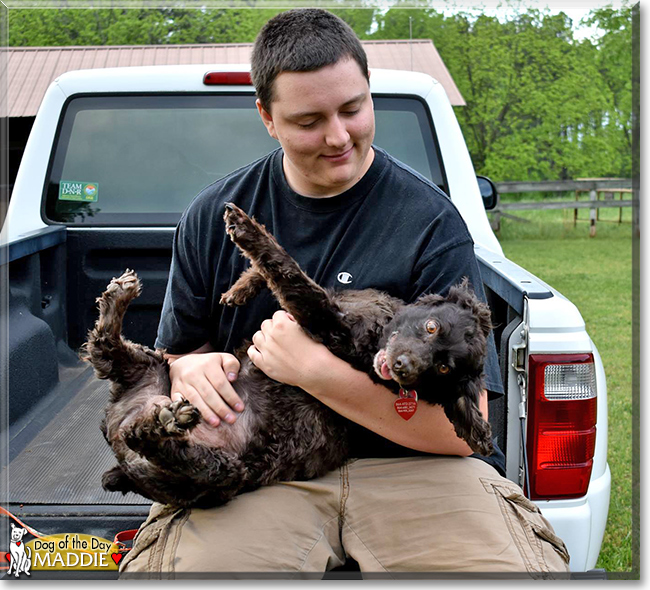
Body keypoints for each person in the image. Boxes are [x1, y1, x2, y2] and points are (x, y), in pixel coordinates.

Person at [120, 8, 570, 578]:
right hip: (267, 475)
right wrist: (188, 371)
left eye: (353, 109)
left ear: (368, 94)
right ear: (267, 117)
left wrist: (314, 371)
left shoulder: (429, 222)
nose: (338, 136)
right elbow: (178, 353)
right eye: (309, 121)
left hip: (415, 469)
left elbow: (463, 432)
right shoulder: (214, 216)